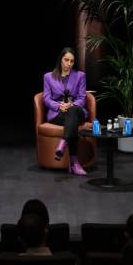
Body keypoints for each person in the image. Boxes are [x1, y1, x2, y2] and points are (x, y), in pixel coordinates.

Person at [42, 47, 88, 176]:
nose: (69, 63)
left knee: (73, 111)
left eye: (72, 61)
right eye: (66, 60)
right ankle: (74, 163)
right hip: (58, 113)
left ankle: (63, 143)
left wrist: (71, 105)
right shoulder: (48, 77)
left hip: (77, 110)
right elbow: (46, 98)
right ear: (60, 60)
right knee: (71, 120)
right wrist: (58, 106)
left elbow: (82, 98)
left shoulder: (80, 76)